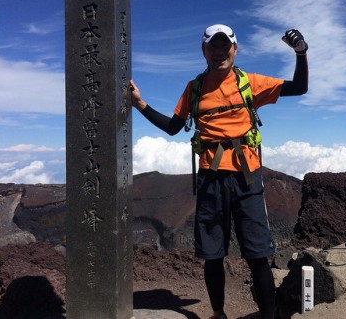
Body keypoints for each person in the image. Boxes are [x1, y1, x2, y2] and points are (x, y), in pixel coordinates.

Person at [130, 24, 308, 319]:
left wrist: (301, 53)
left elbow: (299, 87)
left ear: (235, 50)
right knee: (212, 255)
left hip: (247, 177)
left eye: (225, 46)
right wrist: (140, 104)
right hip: (211, 178)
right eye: (213, 46)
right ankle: (218, 313)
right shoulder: (195, 89)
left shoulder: (250, 82)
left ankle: (268, 316)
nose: (219, 52)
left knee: (257, 255)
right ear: (204, 51)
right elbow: (174, 127)